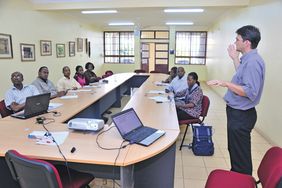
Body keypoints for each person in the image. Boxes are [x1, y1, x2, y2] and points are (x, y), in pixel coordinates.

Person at [207, 25, 265, 175]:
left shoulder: (253, 62)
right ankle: (237, 177)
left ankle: (241, 180)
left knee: (240, 156)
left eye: (237, 39)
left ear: (246, 43)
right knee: (235, 150)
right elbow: (242, 76)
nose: (235, 42)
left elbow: (250, 91)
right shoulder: (248, 60)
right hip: (237, 113)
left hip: (241, 115)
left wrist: (226, 83)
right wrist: (235, 59)